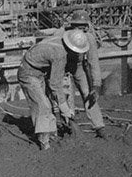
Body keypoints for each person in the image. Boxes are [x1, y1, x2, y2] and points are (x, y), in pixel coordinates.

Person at [18, 28, 91, 150]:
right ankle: (44, 142)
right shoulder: (60, 55)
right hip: (28, 73)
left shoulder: (59, 40)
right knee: (43, 105)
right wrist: (65, 108)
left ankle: (50, 133)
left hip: (38, 71)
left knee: (47, 105)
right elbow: (55, 85)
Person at [61, 10, 106, 138]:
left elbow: (93, 63)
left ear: (87, 27)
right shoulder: (62, 35)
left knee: (88, 93)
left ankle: (99, 126)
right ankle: (68, 125)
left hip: (79, 66)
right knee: (65, 96)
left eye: (82, 27)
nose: (80, 30)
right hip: (63, 66)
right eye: (76, 27)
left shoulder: (89, 39)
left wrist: (96, 85)